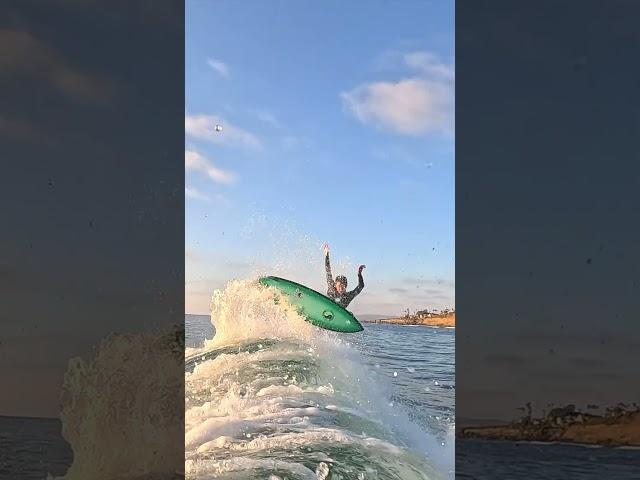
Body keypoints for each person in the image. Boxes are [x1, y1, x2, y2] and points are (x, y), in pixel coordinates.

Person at [323, 242, 365, 308]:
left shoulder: (348, 296)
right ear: (335, 284)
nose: (341, 288)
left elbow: (361, 286)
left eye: (343, 286)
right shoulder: (331, 287)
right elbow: (328, 269)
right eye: (339, 285)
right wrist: (327, 255)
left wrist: (359, 274)